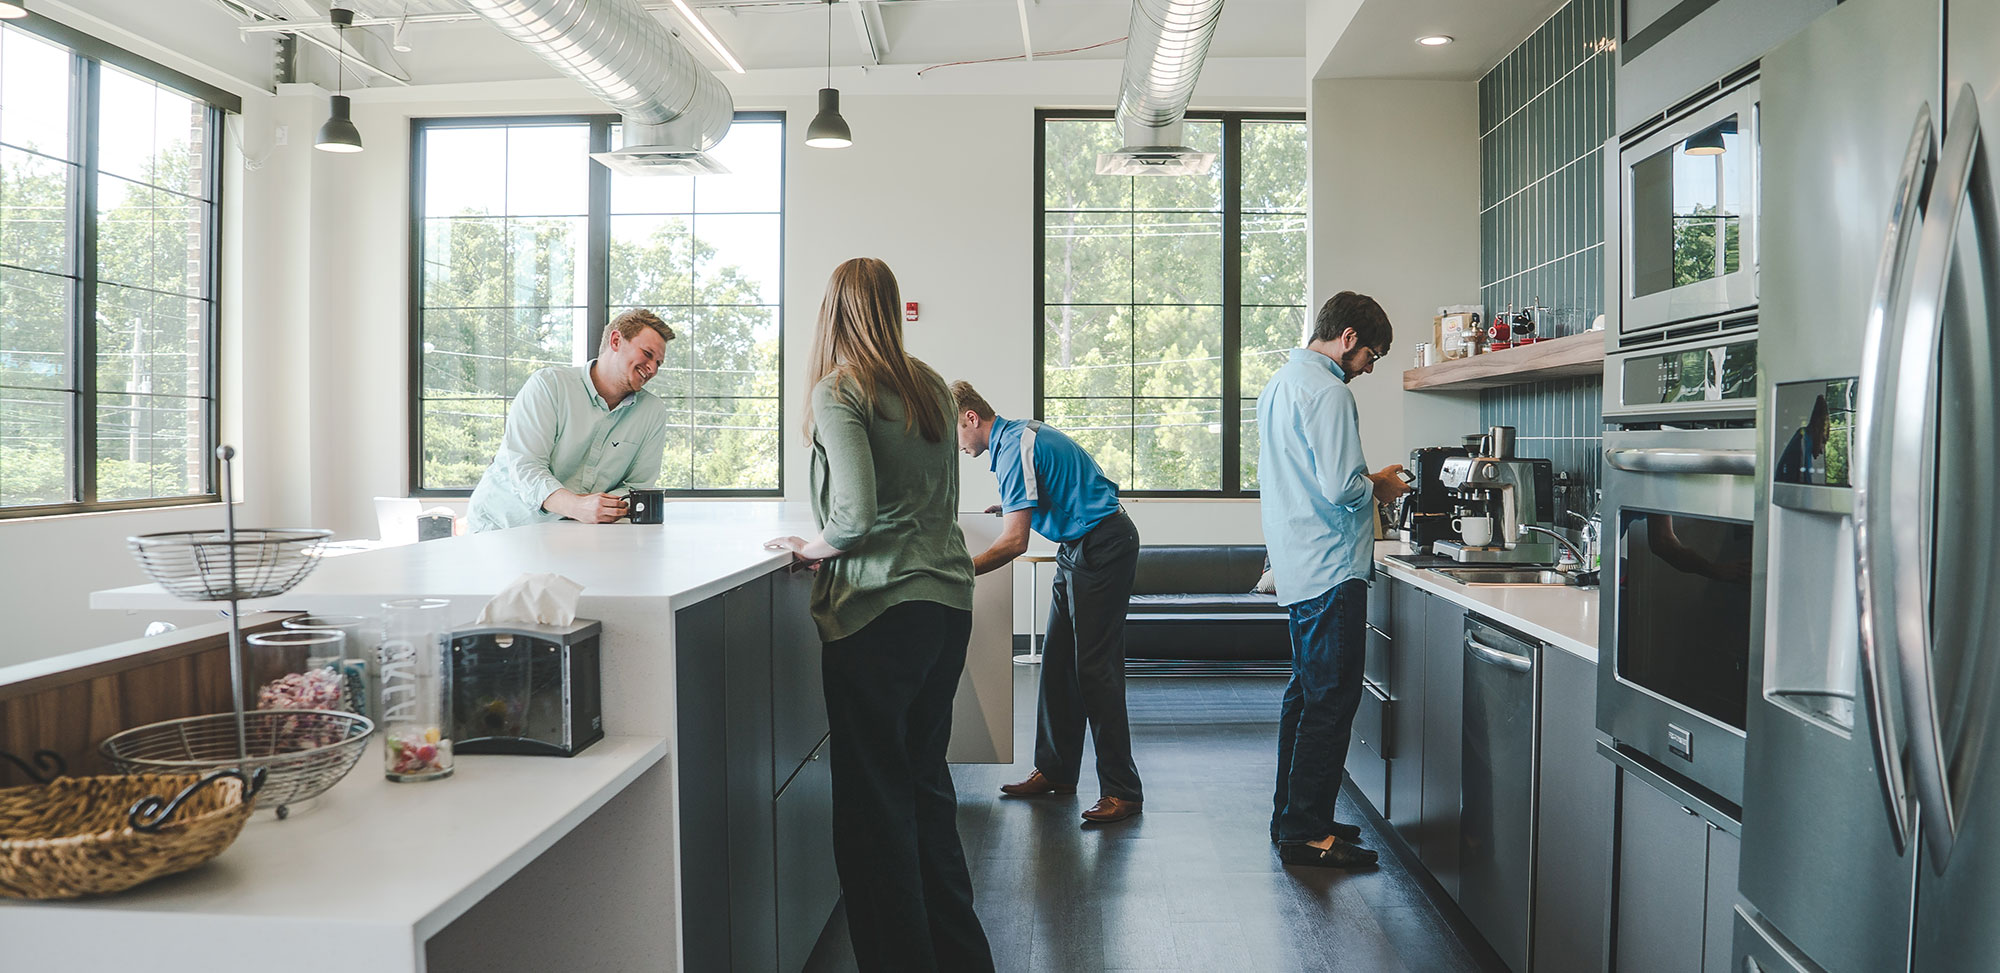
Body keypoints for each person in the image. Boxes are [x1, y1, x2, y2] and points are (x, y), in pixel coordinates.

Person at [763, 258, 994, 973]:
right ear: (891, 307)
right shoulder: (928, 381)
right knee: (925, 789)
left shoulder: (839, 389)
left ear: (832, 310)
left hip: (876, 615)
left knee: (872, 813)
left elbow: (856, 514)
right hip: (945, 606)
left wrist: (812, 547)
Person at [1256, 290, 1410, 869]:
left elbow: (1308, 475)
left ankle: (1295, 817)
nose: (1370, 367)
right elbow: (1342, 488)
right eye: (1372, 354)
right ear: (1348, 338)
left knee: (1304, 697)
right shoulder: (1329, 392)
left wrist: (1362, 477)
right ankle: (1306, 834)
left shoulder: (1281, 385)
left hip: (1299, 563)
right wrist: (1383, 486)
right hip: (1331, 568)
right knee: (1330, 702)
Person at [951, 381, 1145, 824]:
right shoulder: (1018, 435)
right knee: (1057, 663)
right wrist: (1013, 504)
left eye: (953, 432)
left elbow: (1015, 544)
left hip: (1103, 545)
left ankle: (1123, 790)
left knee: (1096, 669)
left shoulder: (1012, 447)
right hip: (1078, 547)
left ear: (970, 418)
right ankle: (1056, 771)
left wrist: (958, 572)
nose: (954, 445)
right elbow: (1053, 484)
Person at [467, 309, 675, 532]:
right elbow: (526, 466)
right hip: (502, 526)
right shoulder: (549, 386)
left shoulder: (652, 412)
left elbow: (638, 486)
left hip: (573, 531)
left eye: (658, 363)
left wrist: (596, 507)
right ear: (616, 341)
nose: (652, 368)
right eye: (647, 353)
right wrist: (576, 506)